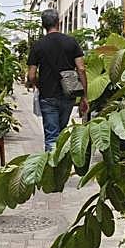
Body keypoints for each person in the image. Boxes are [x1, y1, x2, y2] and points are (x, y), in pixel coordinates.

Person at [27, 9, 88, 151]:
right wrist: (84, 96)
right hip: (68, 94)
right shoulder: (71, 42)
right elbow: (81, 69)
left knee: (51, 137)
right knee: (61, 133)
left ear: (43, 25)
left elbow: (31, 76)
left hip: (47, 96)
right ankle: (60, 162)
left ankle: (52, 164)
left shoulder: (38, 45)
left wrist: (40, 86)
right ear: (58, 23)